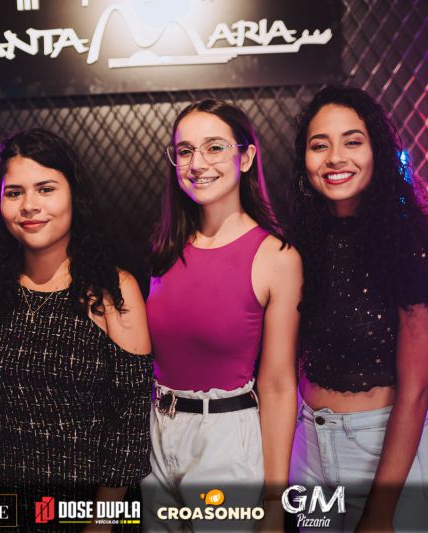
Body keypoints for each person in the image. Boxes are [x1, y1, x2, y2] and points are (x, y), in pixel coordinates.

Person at [287, 85, 428, 532]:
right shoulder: (300, 241)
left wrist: (380, 511)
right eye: (319, 145)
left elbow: (416, 392)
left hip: (383, 452)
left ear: (376, 152)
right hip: (308, 448)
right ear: (305, 160)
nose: (335, 158)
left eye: (352, 141)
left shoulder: (407, 243)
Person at [0, 128, 153, 531]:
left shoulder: (111, 291)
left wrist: (102, 523)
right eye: (14, 193)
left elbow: (131, 422)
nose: (29, 206)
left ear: (74, 195)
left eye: (46, 189)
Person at [142, 99, 302, 532]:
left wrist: (274, 500)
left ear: (246, 158)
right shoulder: (165, 248)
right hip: (157, 432)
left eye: (214, 147)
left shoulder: (276, 256)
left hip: (225, 440)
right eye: (185, 151)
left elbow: (278, 385)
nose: (198, 163)